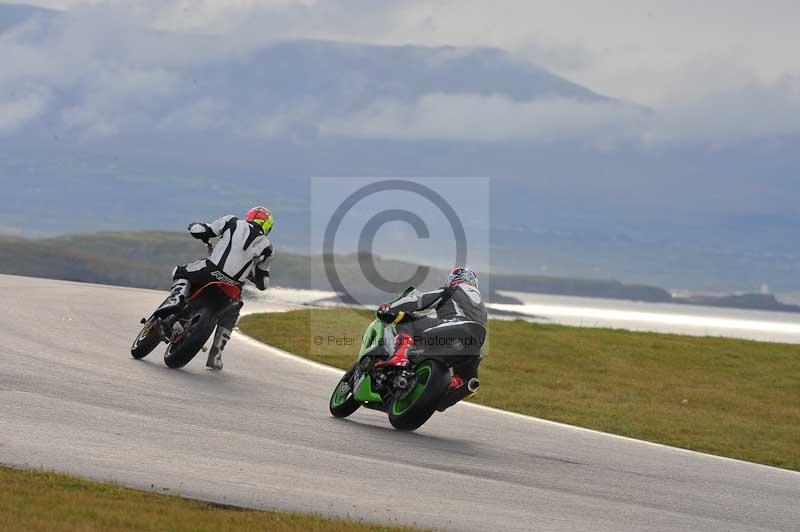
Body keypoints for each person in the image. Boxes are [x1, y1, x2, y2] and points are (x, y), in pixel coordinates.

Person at [154, 206, 275, 370]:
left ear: (249, 217)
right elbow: (263, 282)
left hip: (210, 271)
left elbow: (204, 230)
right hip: (232, 287)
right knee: (233, 311)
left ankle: (176, 299)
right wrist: (252, 274)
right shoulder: (268, 248)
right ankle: (216, 353)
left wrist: (195, 227)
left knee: (180, 271)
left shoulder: (232, 221)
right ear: (268, 226)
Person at [375, 267, 487, 389]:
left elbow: (419, 301)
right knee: (463, 380)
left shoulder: (450, 291)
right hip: (475, 345)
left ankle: (399, 356)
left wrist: (391, 308)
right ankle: (452, 386)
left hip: (453, 328)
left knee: (407, 320)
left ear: (453, 279)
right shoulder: (482, 308)